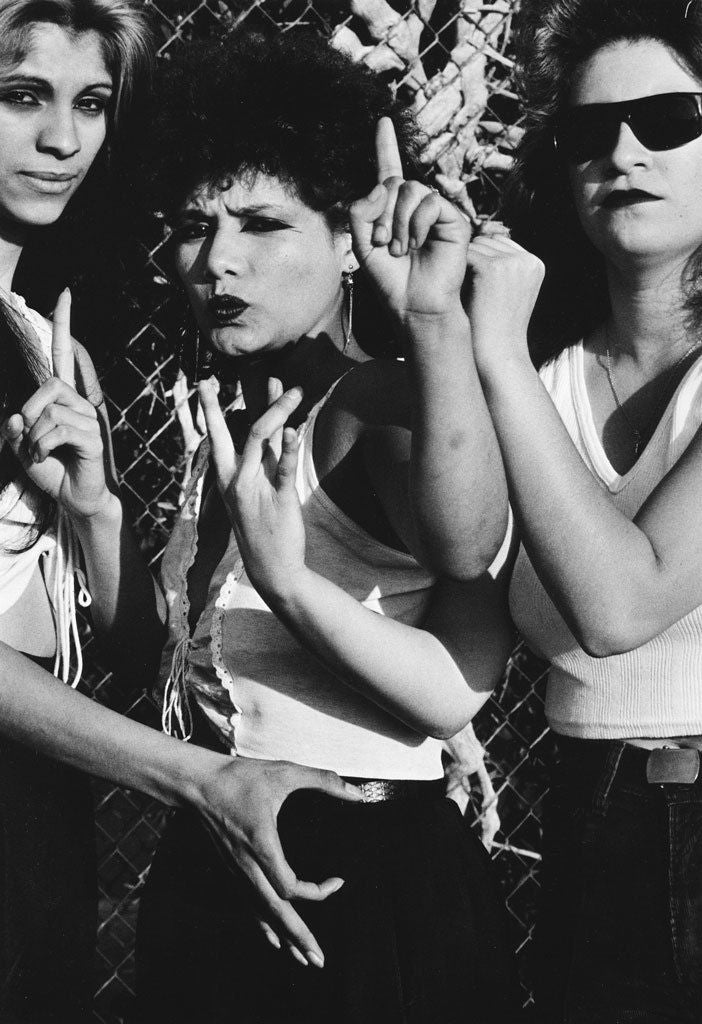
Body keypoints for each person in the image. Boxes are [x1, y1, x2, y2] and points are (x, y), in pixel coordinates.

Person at [128, 29, 520, 1024]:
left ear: (347, 238)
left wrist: (435, 327)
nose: (216, 259)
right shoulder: (222, 409)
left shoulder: (374, 405)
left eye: (262, 223)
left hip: (359, 875)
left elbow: (468, 543)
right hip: (219, 839)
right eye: (191, 225)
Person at [0, 4, 365, 1019]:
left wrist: (98, 508)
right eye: (21, 96)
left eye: (93, 103)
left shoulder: (53, 337)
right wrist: (200, 779)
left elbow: (106, 656)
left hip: (41, 829)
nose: (63, 140)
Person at [425, 0, 702, 1019]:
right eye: (589, 132)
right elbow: (464, 577)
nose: (625, 150)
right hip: (587, 814)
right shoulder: (543, 376)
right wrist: (438, 326)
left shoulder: (517, 370)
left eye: (672, 119)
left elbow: (623, 605)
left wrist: (493, 353)